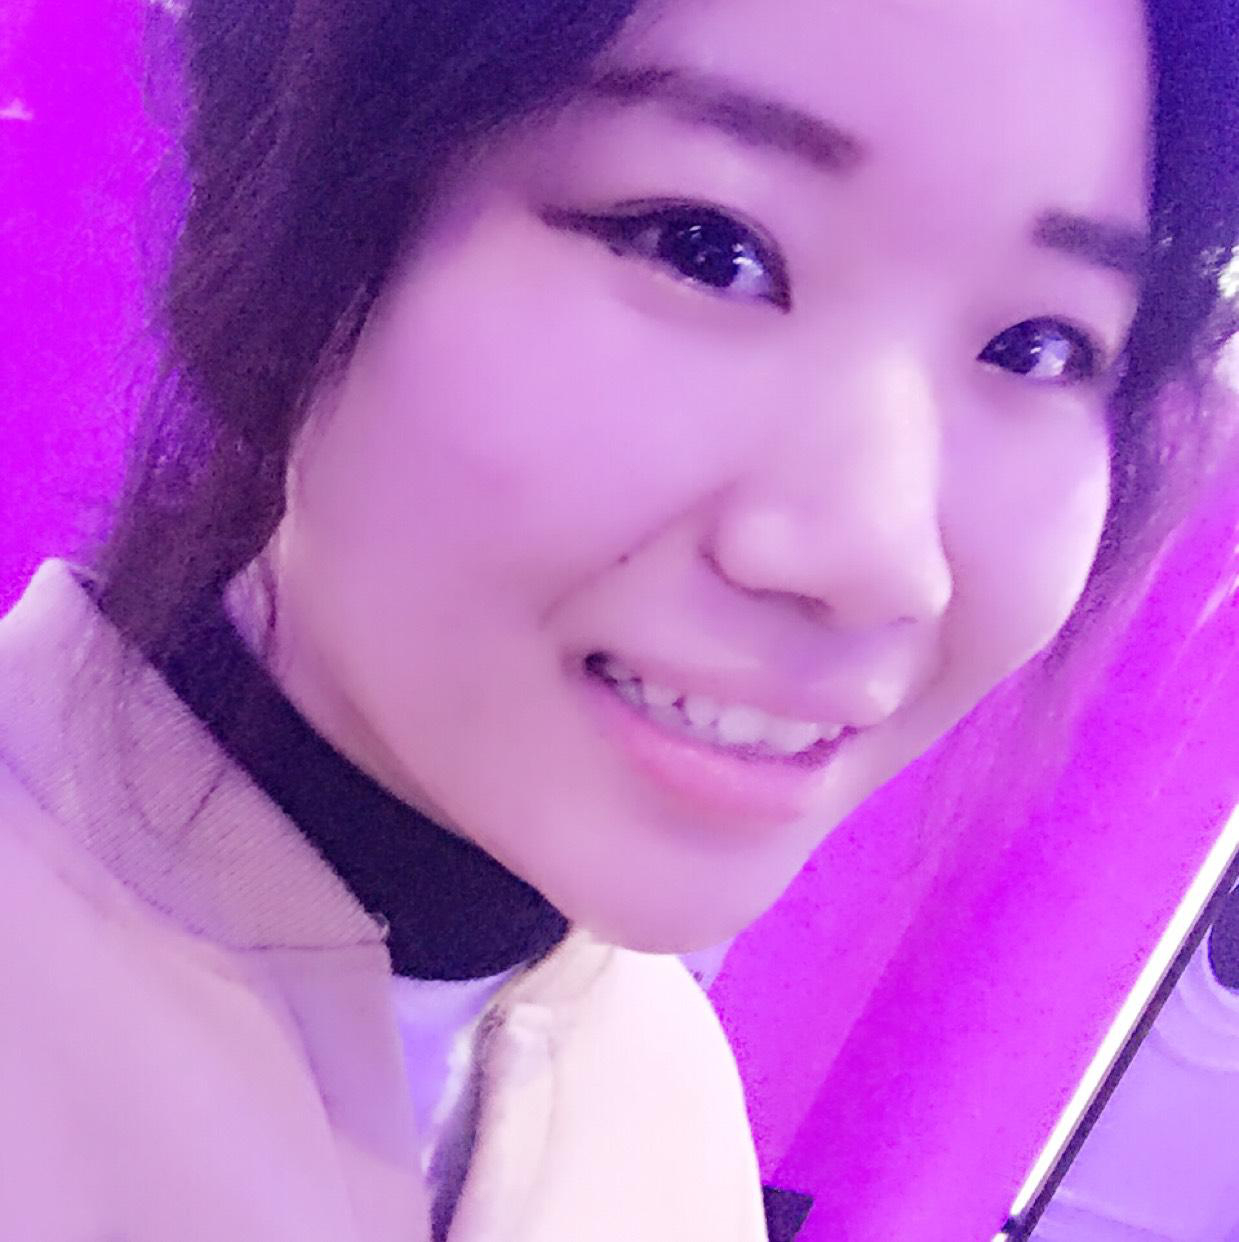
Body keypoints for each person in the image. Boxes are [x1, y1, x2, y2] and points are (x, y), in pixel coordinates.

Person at [1, 1, 1236, 1239]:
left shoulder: (662, 1095)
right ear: (289, 218)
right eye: (706, 249)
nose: (881, 558)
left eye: (1038, 348)